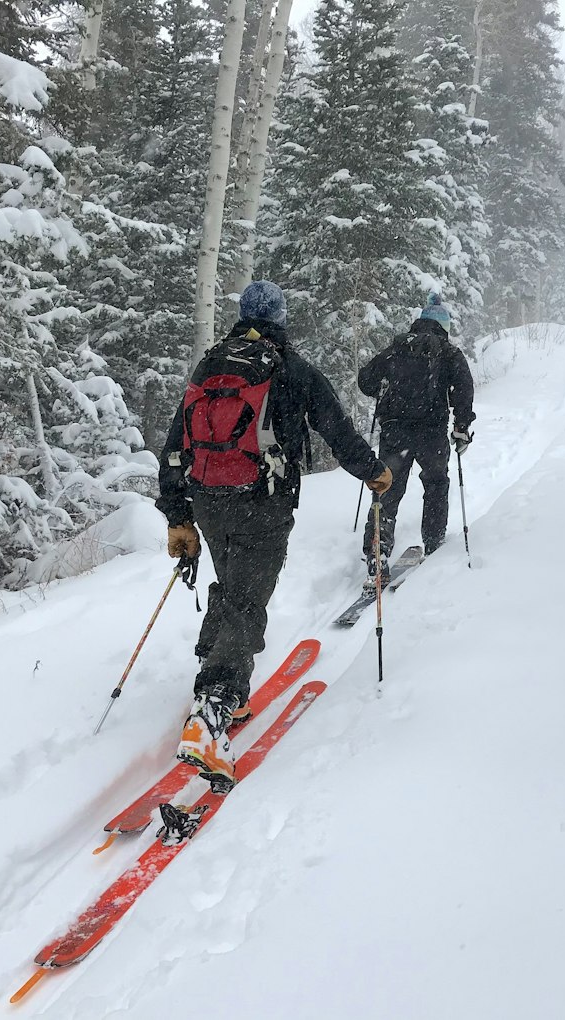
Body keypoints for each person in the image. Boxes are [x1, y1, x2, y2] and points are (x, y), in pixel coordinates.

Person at [156, 281, 393, 785]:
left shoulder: (211, 364)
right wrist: (373, 472)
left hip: (207, 501)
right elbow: (337, 427)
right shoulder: (290, 367)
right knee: (247, 598)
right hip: (261, 503)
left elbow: (175, 444)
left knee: (231, 586)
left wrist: (178, 515)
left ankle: (218, 683)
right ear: (281, 318)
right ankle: (214, 706)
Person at [357, 294, 475, 579]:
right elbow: (464, 390)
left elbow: (366, 381)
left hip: (395, 431)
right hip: (431, 434)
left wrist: (384, 389)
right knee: (435, 484)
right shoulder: (448, 353)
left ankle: (377, 550)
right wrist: (461, 427)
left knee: (387, 487)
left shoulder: (396, 349)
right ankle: (434, 544)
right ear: (443, 326)